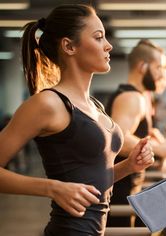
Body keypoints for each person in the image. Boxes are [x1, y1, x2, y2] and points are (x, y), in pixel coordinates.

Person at [0, 4, 154, 236]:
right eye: (98, 37)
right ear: (69, 46)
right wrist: (52, 188)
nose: (108, 45)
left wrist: (129, 166)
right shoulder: (48, 104)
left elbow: (90, 183)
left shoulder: (95, 107)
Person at [106, 39, 166, 227]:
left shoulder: (136, 97)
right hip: (120, 193)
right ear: (142, 66)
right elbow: (118, 141)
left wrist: (151, 139)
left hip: (129, 190)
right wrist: (160, 149)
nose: (162, 73)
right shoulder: (132, 98)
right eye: (158, 67)